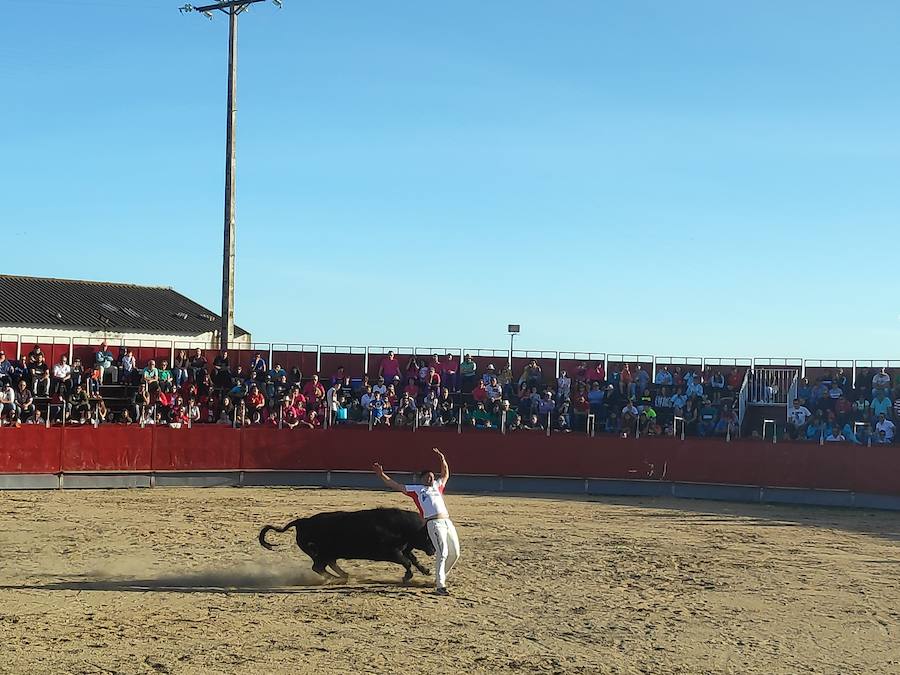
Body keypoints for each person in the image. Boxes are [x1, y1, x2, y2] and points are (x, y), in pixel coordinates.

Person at [373, 448, 460, 596]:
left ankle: (440, 577)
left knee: (455, 553)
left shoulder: (437, 486)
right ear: (422, 479)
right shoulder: (417, 490)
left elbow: (445, 473)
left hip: (447, 521)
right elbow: (395, 485)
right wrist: (382, 475)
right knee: (443, 552)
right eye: (427, 477)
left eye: (432, 477)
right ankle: (440, 585)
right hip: (434, 523)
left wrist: (442, 458)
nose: (430, 479)